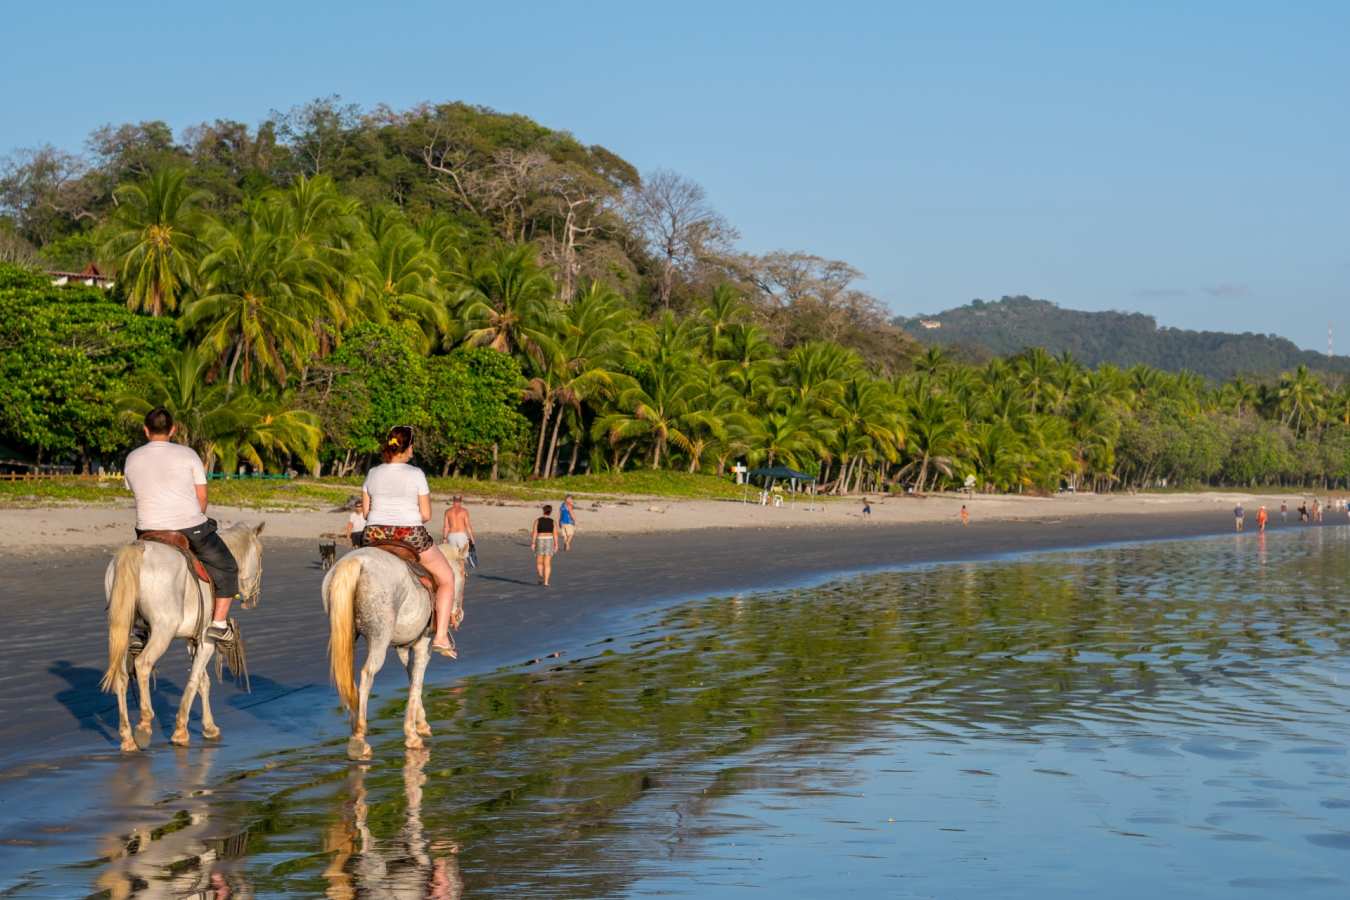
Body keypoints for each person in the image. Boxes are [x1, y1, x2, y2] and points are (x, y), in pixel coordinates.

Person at [123, 407, 240, 642]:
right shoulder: (188, 455)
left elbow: (136, 491)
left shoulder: (132, 457)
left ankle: (137, 629)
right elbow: (202, 498)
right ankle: (218, 624)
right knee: (227, 567)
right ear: (173, 430)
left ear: (146, 430)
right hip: (189, 527)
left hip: (147, 531)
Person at [361, 426, 459, 658]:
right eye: (413, 444)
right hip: (409, 535)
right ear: (408, 447)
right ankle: (442, 636)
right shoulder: (416, 474)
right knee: (447, 579)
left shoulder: (373, 473)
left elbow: (366, 512)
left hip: (374, 534)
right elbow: (425, 515)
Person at [532, 504, 556, 586]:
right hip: (549, 540)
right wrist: (556, 544)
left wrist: (533, 543)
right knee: (547, 563)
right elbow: (555, 534)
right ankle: (546, 582)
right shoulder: (553, 522)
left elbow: (534, 532)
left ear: (543, 511)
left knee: (539, 562)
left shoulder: (537, 520)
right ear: (550, 512)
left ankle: (541, 576)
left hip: (540, 540)